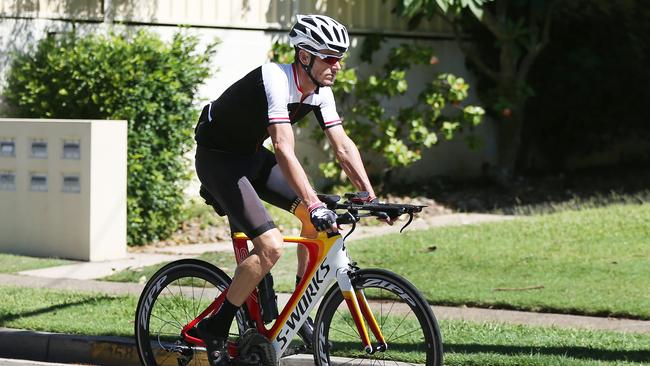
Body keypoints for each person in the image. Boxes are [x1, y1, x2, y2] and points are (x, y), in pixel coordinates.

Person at [193, 14, 384, 365]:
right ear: (305, 56)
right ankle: (215, 327)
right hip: (218, 161)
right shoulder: (275, 79)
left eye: (340, 57)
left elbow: (342, 146)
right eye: (329, 56)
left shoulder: (320, 93)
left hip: (249, 157)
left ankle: (301, 310)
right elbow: (283, 148)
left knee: (315, 225)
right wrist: (313, 202)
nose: (337, 65)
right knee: (271, 246)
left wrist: (370, 196)